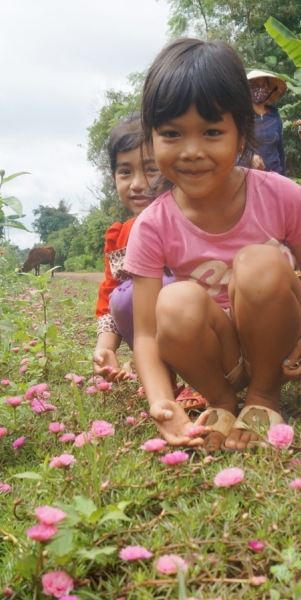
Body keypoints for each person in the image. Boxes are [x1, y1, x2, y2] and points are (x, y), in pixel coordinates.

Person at [125, 38, 301, 452]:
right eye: (172, 133)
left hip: (280, 346)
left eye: (212, 131)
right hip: (220, 358)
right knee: (175, 302)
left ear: (241, 134)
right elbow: (146, 334)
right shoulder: (151, 226)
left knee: (259, 263)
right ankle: (222, 401)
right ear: (152, 138)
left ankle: (264, 397)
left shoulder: (281, 194)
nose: (192, 151)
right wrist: (160, 400)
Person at [90, 115, 207, 407]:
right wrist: (105, 347)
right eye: (125, 172)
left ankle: (203, 379)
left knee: (172, 290)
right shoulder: (119, 237)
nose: (139, 184)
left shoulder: (195, 220)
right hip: (155, 333)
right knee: (125, 296)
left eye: (152, 169)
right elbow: (109, 297)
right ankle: (161, 378)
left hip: (207, 333)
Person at [244, 70, 287, 175]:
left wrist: (284, 177)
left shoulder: (275, 116)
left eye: (264, 85)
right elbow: (234, 145)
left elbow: (280, 149)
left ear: (269, 89)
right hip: (248, 176)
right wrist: (250, 156)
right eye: (255, 85)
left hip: (274, 175)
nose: (260, 88)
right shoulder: (242, 116)